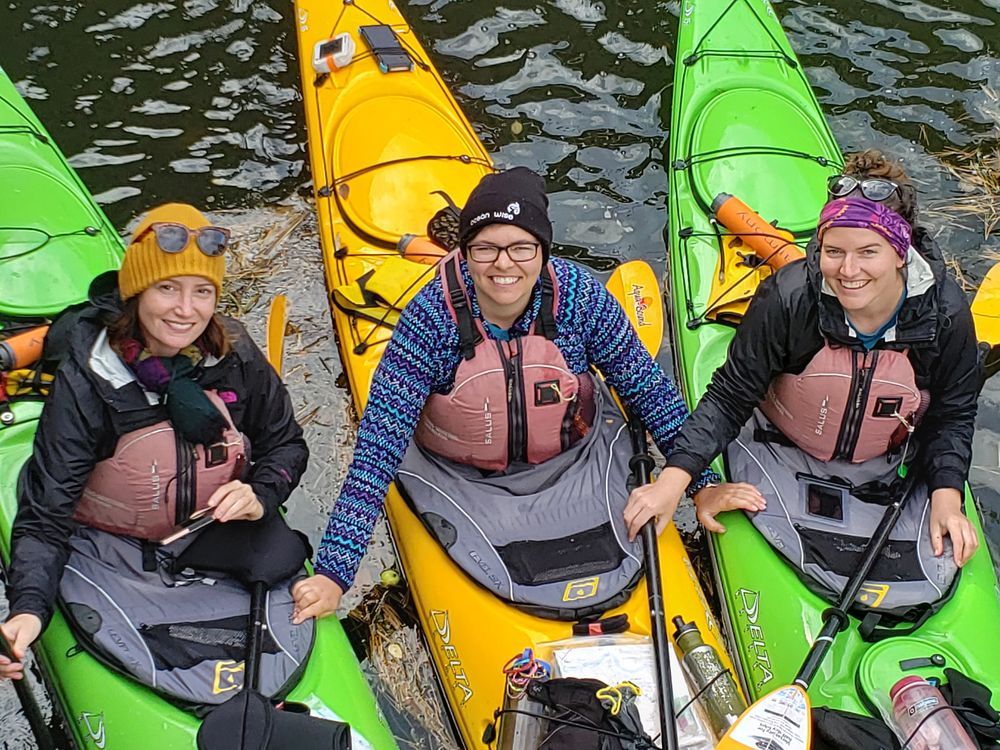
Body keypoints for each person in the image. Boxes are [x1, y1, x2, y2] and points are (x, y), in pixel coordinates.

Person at [292, 167, 717, 621]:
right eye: (485, 248)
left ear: (542, 251)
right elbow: (377, 452)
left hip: (576, 465)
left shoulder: (580, 298)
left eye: (521, 247)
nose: (503, 265)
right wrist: (334, 574)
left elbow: (649, 390)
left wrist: (701, 484)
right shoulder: (429, 321)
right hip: (462, 478)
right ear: (465, 253)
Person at [0, 203, 309, 692]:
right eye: (167, 288)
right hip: (107, 546)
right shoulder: (89, 381)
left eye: (202, 292)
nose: (186, 310)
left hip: (211, 539)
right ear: (137, 291)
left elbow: (287, 446)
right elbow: (46, 517)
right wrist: (29, 609)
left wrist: (261, 493)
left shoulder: (237, 355)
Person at [625, 150, 980, 574]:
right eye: (834, 251)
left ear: (900, 254)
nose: (848, 271)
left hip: (886, 469)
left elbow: (953, 412)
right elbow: (730, 397)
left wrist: (946, 495)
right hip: (779, 451)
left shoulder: (946, 314)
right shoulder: (788, 298)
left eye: (868, 252)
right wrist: (675, 480)